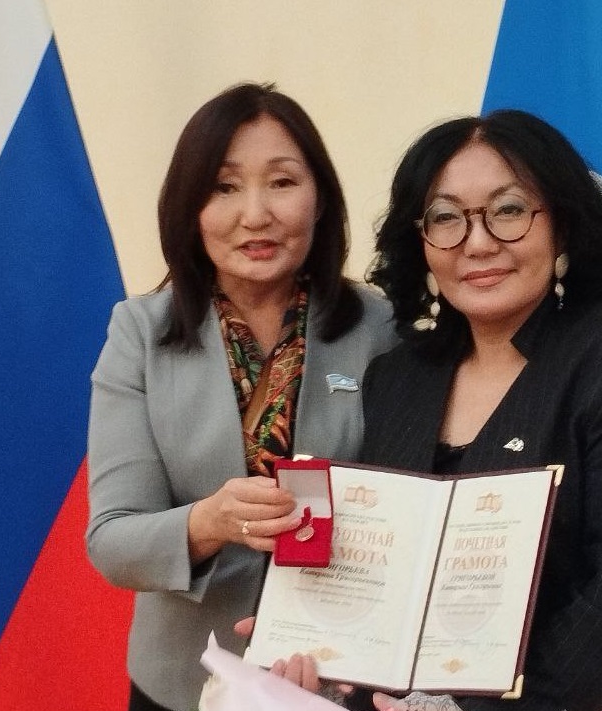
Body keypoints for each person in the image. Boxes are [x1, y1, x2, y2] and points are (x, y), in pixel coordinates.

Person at [348, 110, 602, 711]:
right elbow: (387, 566)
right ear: (421, 241)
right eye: (445, 217)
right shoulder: (396, 378)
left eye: (509, 209)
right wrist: (326, 651)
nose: (478, 242)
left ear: (561, 226)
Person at [86, 82, 396, 711]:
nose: (255, 214)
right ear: (189, 206)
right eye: (224, 187)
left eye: (281, 182)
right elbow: (113, 542)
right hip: (183, 680)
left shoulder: (379, 327)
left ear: (319, 198)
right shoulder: (140, 333)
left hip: (339, 673)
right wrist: (210, 522)